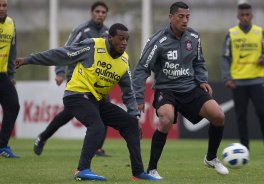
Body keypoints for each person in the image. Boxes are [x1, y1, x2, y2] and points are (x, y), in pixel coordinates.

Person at [15, 23, 160, 181]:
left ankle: (138, 173)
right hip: (76, 94)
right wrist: (28, 60)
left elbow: (128, 93)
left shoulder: (124, 61)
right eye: (121, 38)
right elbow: (60, 54)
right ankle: (82, 170)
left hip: (97, 100)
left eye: (127, 39)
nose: (124, 42)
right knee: (96, 126)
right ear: (110, 38)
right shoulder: (92, 46)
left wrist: (135, 116)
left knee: (131, 124)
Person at [132, 1, 229, 179]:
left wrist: (202, 80)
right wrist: (138, 97)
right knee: (166, 119)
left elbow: (199, 62)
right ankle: (152, 169)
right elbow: (141, 69)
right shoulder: (158, 40)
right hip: (166, 89)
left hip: (190, 88)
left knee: (218, 115)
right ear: (171, 17)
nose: (185, 20)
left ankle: (211, 158)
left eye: (187, 17)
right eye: (181, 17)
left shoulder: (194, 37)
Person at [34, 1, 110, 157]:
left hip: (98, 82)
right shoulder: (82, 30)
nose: (100, 14)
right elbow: (65, 50)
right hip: (78, 80)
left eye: (103, 12)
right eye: (97, 11)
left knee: (105, 109)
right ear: (91, 13)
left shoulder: (108, 32)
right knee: (69, 113)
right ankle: (43, 137)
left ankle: (97, 148)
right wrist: (60, 71)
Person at [220, 3, 264, 155]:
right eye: (242, 15)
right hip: (238, 81)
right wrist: (227, 77)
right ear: (238, 16)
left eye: (247, 15)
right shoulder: (231, 34)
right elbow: (225, 57)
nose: (245, 17)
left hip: (256, 80)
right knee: (241, 115)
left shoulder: (259, 32)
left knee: (262, 112)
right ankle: (244, 147)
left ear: (251, 16)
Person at [0, 0, 20, 158]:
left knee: (13, 106)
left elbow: (12, 50)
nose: (2, 8)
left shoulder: (11, 23)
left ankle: (2, 146)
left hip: (2, 75)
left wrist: (11, 74)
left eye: (4, 5)